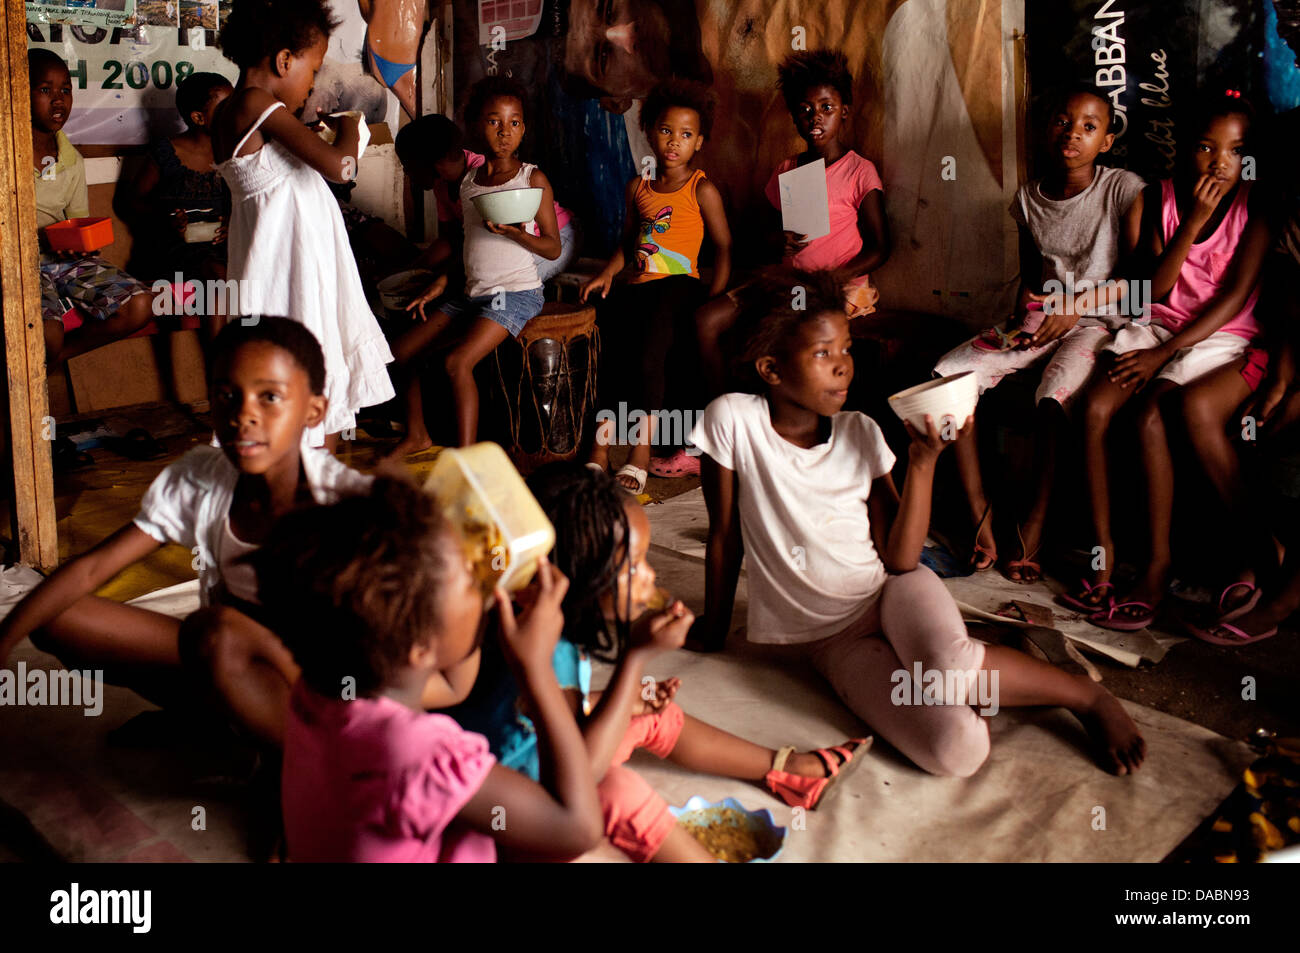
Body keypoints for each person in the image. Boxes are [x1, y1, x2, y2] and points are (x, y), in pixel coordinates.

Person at [689, 270, 1146, 776]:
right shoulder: (731, 419)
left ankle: (1085, 696)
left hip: (889, 593)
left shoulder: (860, 432)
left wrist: (924, 462)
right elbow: (724, 535)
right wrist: (711, 632)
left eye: (845, 349)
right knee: (956, 753)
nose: (843, 367)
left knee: (947, 666)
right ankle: (987, 655)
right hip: (830, 643)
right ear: (771, 368)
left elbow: (901, 560)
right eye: (823, 354)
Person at [0, 318, 370, 748]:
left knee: (218, 633)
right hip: (222, 659)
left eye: (269, 397)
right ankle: (209, 721)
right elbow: (93, 568)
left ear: (314, 412)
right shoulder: (203, 477)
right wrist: (5, 640)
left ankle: (291, 754)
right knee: (56, 616)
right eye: (226, 396)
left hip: (315, 689)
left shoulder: (345, 505)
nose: (244, 415)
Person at [513, 463, 866, 861]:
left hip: (546, 756)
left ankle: (791, 773)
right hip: (527, 805)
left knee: (652, 714)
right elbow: (584, 771)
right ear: (574, 575)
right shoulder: (538, 647)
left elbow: (554, 707)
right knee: (617, 791)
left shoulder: (549, 627)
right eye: (633, 567)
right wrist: (635, 660)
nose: (650, 575)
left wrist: (628, 700)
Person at [256, 478, 603, 862]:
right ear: (420, 649)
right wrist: (536, 670)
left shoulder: (326, 686)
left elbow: (454, 685)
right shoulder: (416, 754)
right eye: (472, 582)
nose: (483, 583)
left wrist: (483, 597)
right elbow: (578, 829)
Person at [932, 87, 1146, 582]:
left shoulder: (1122, 189)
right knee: (950, 375)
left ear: (1107, 141)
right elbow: (1034, 282)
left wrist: (1074, 310)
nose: (1073, 132)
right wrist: (1015, 334)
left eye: (1089, 126)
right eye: (1063, 120)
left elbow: (1139, 286)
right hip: (1044, 319)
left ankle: (1036, 522)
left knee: (1053, 397)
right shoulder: (1028, 198)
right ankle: (980, 513)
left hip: (1100, 322)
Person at [1077, 92, 1271, 631]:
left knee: (1150, 414)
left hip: (1216, 336)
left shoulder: (1256, 208)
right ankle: (1104, 557)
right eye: (1207, 147)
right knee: (1096, 405)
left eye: (1234, 151)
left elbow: (1234, 298)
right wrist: (1193, 221)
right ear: (1187, 148)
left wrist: (1163, 355)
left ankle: (1161, 568)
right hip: (1158, 322)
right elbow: (1154, 288)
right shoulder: (1158, 197)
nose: (1219, 162)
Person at [212, 0, 395, 448]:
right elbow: (341, 169)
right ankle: (307, 499)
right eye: (313, 73)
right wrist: (352, 125)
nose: (312, 86)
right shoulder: (255, 102)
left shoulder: (243, 112)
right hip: (287, 275)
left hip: (294, 265)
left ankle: (310, 498)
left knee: (313, 391)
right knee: (306, 383)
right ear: (283, 60)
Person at [695, 49, 890, 397]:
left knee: (781, 335)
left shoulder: (859, 171)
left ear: (844, 112)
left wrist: (834, 278)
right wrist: (776, 242)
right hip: (787, 281)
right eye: (805, 110)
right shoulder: (787, 169)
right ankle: (723, 420)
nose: (815, 118)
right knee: (706, 320)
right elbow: (762, 235)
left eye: (826, 108)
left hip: (838, 286)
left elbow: (879, 246)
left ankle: (776, 427)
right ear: (794, 118)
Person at [385, 77, 561, 459]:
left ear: (524, 129)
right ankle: (417, 435)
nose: (505, 132)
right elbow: (468, 246)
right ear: (477, 127)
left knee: (456, 362)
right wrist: (440, 284)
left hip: (514, 294)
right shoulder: (467, 183)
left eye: (514, 123)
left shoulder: (532, 179)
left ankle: (465, 463)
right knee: (399, 352)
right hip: (470, 293)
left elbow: (551, 247)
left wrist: (517, 235)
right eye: (494, 121)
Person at [581, 79, 732, 491]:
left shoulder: (702, 189)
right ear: (649, 131)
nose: (674, 142)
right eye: (666, 131)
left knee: (650, 359)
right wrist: (606, 273)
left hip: (681, 287)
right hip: (640, 285)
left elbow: (723, 248)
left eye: (685, 135)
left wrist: (713, 298)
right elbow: (629, 245)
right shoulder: (639, 188)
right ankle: (597, 450)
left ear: (698, 142)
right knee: (611, 357)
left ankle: (640, 454)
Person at [30, 49, 153, 365]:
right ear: (19, 91)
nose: (59, 101)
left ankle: (56, 359)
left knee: (139, 304)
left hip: (61, 261)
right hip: (20, 264)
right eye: (45, 90)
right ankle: (51, 353)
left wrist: (78, 246)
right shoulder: (6, 155)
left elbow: (76, 223)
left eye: (65, 91)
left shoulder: (71, 160)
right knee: (48, 335)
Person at [119, 71, 233, 343]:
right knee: (217, 276)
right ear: (198, 118)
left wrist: (231, 223)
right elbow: (132, 202)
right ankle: (219, 365)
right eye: (225, 107)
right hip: (175, 248)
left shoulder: (234, 151)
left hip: (222, 246)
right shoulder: (167, 152)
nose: (233, 112)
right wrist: (166, 218)